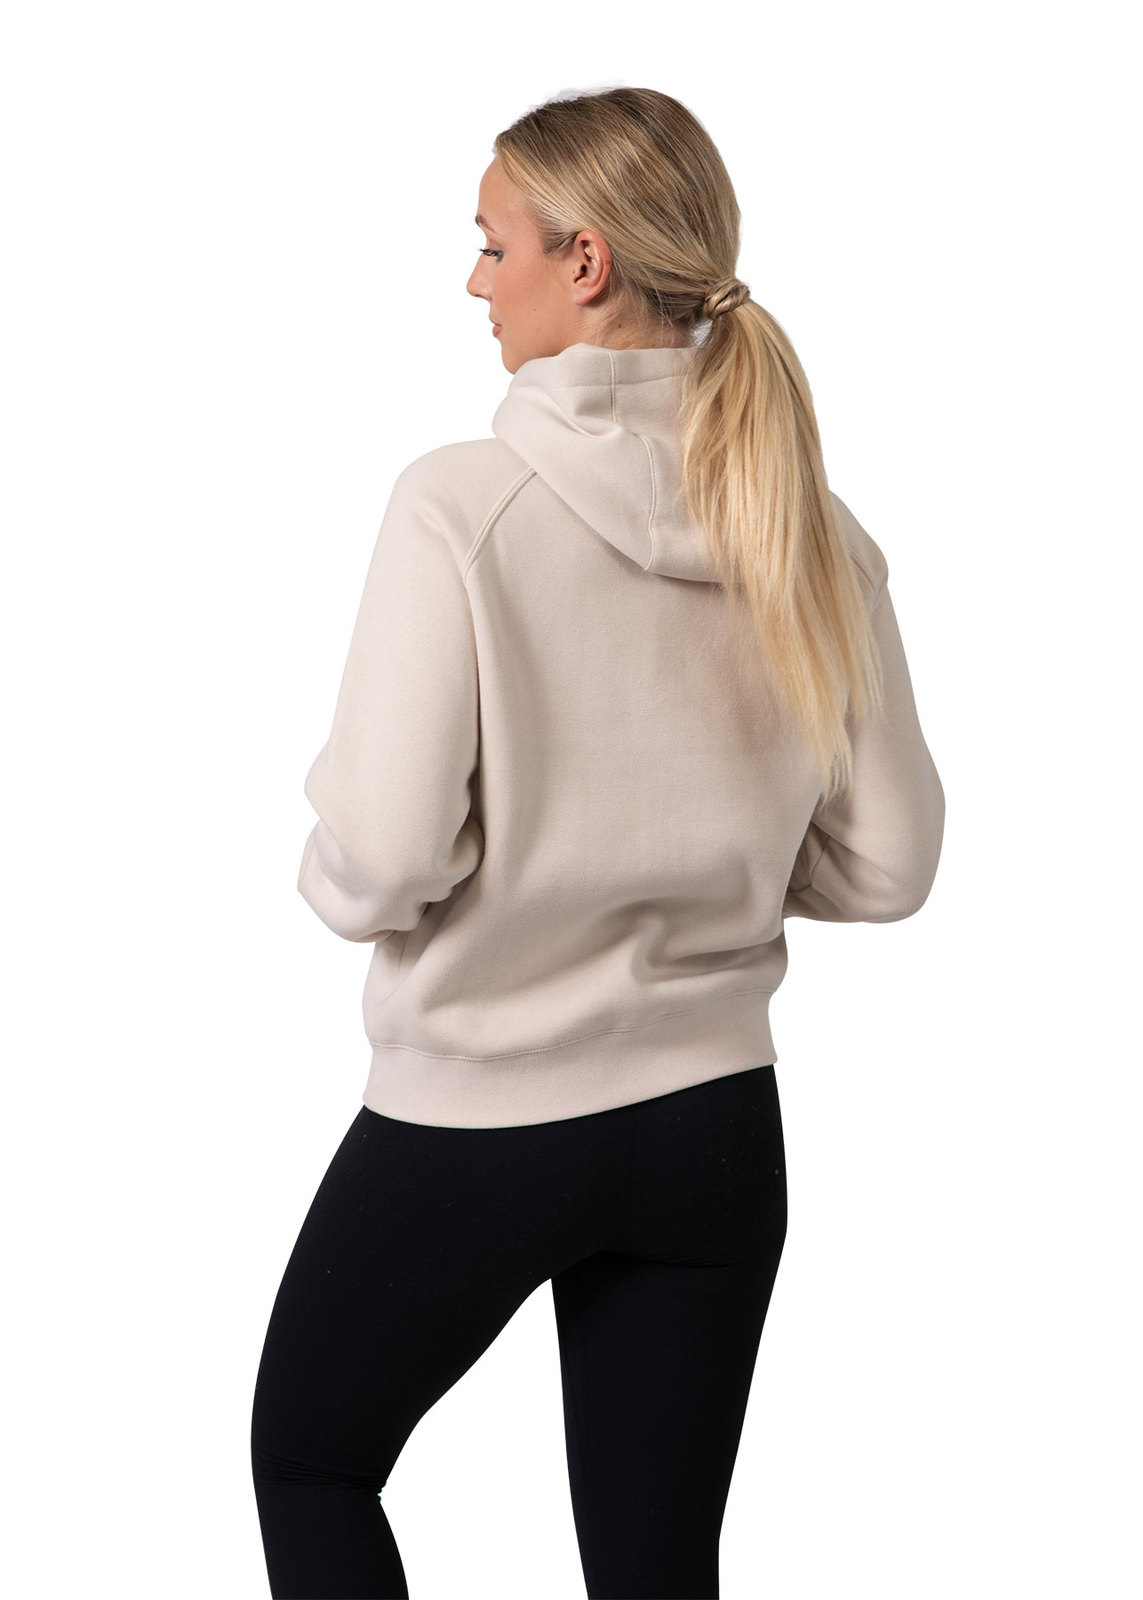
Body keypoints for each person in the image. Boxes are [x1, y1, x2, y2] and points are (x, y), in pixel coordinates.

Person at [250, 85, 945, 1600]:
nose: (472, 281)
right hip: (714, 1128)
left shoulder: (461, 505)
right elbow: (891, 860)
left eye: (492, 244)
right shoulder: (811, 529)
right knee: (655, 1565)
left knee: (312, 1464)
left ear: (586, 263)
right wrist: (717, 872)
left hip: (480, 1115)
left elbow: (382, 853)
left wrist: (351, 875)